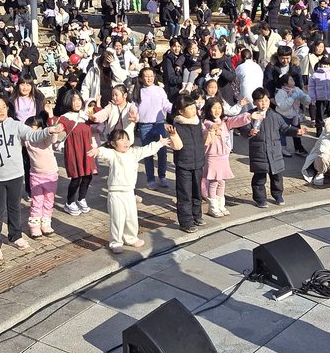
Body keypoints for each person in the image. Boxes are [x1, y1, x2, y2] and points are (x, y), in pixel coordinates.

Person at [0, 96, 62, 261]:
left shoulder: (15, 125)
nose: (2, 110)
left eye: (4, 107)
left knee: (15, 208)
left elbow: (33, 135)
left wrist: (49, 130)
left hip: (15, 175)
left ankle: (15, 236)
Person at [91, 127, 169, 253]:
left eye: (127, 139)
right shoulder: (113, 154)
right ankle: (115, 242)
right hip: (115, 193)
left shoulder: (134, 152)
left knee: (131, 217)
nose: (125, 142)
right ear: (113, 143)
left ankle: (131, 238)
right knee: (117, 218)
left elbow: (146, 150)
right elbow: (103, 152)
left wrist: (159, 143)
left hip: (129, 192)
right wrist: (97, 150)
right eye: (121, 140)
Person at [202, 96, 259, 217]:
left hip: (224, 156)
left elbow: (236, 120)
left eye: (219, 107)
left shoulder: (225, 121)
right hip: (212, 156)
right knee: (213, 182)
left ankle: (220, 205)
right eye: (214, 108)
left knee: (221, 181)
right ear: (208, 109)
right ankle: (212, 207)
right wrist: (212, 129)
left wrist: (248, 116)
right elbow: (206, 133)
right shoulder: (206, 123)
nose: (217, 110)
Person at [167, 94, 205, 232]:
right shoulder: (176, 126)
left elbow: (204, 141)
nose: (193, 109)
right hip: (184, 163)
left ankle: (197, 215)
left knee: (197, 191)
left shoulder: (197, 122)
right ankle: (186, 221)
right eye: (189, 107)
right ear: (180, 111)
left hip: (198, 161)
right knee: (185, 193)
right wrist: (173, 136)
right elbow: (177, 147)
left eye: (193, 106)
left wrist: (212, 133)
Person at [21, 114, 60, 237]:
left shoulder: (45, 139)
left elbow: (53, 138)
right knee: (37, 202)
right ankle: (34, 226)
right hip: (35, 175)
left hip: (51, 174)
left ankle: (46, 224)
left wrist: (51, 120)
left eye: (36, 127)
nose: (33, 131)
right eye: (30, 128)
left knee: (48, 201)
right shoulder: (27, 140)